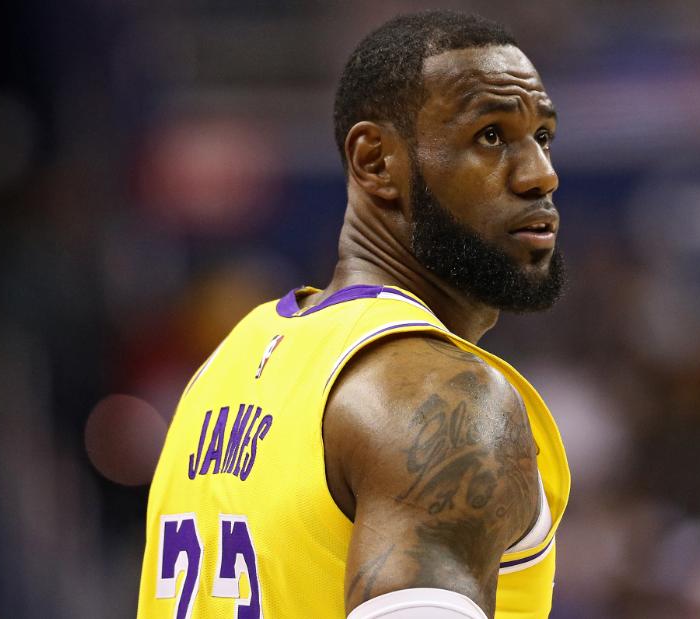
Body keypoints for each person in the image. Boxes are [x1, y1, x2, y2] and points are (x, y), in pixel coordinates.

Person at [137, 10, 569, 619]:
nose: (539, 174)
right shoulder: (441, 400)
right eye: (491, 136)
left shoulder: (229, 362)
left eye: (542, 137)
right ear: (375, 162)